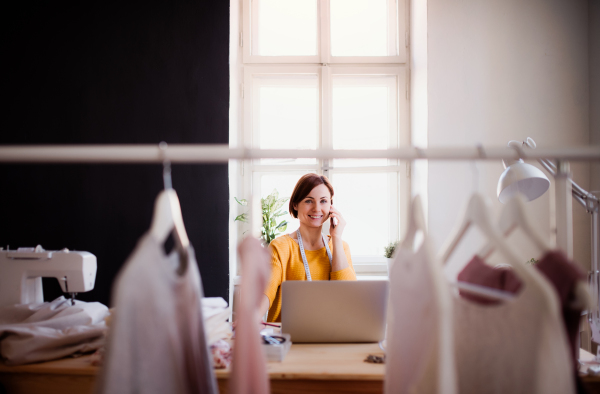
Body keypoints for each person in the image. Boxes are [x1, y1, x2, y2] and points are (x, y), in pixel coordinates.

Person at [260, 174, 356, 322]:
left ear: (331, 206)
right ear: (295, 204)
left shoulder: (341, 247)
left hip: (334, 334)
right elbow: (266, 291)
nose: (317, 208)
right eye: (309, 201)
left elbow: (348, 298)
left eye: (323, 201)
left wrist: (336, 238)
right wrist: (251, 317)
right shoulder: (280, 247)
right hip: (289, 337)